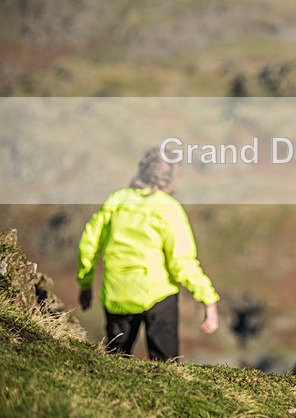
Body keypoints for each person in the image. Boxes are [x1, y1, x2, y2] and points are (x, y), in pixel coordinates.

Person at [77, 147, 220, 361]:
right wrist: (208, 299)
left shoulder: (117, 201)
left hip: (118, 293)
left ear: (141, 170)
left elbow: (89, 244)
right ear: (171, 177)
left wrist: (85, 284)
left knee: (114, 361)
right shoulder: (170, 209)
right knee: (167, 366)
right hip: (158, 296)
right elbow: (182, 263)